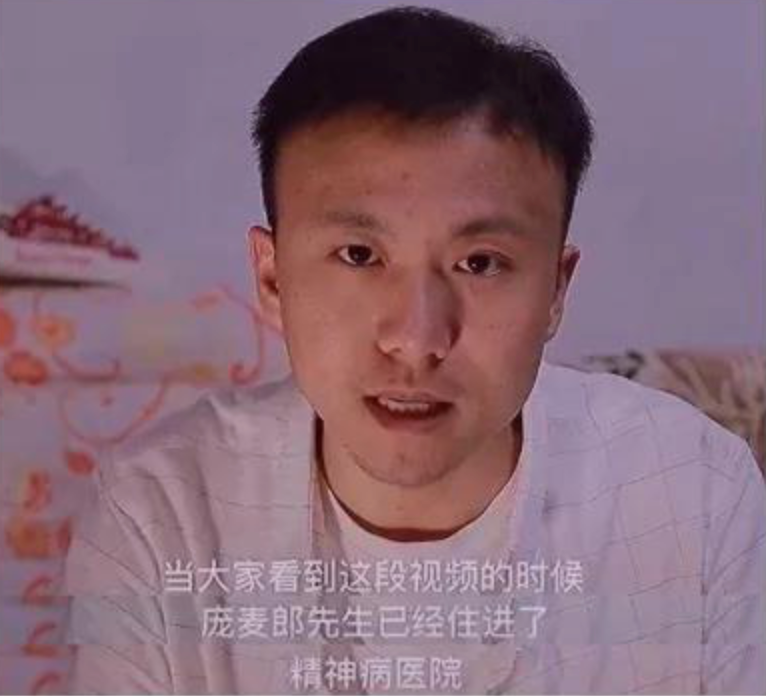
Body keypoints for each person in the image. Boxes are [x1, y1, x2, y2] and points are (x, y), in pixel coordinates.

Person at [64, 6, 765, 694]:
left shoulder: (695, 491)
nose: (417, 339)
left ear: (556, 288)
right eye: (359, 254)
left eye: (480, 263)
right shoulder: (161, 511)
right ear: (273, 279)